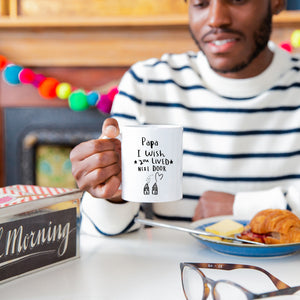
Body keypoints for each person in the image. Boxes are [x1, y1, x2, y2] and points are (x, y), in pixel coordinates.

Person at [70, 0, 300, 236]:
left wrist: (239, 207)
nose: (216, 19)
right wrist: (111, 192)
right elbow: (105, 233)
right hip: (170, 270)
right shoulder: (148, 82)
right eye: (200, 3)